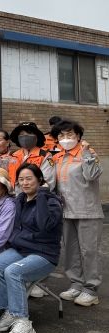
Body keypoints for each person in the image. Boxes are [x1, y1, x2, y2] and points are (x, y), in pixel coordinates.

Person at [0, 164, 63, 333]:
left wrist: (42, 195)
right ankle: (9, 312)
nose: (25, 183)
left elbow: (44, 226)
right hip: (22, 249)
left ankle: (22, 320)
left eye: (29, 178)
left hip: (44, 254)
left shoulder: (52, 202)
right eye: (21, 179)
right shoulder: (20, 200)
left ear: (40, 180)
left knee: (13, 272)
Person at [51, 119, 103, 306]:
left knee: (89, 251)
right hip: (66, 212)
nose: (65, 138)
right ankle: (76, 284)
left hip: (87, 211)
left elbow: (91, 175)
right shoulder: (57, 157)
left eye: (70, 134)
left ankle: (91, 289)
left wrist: (87, 153)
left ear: (78, 136)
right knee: (71, 251)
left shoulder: (88, 153)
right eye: (61, 135)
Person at [9, 122, 56, 190]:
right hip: (14, 195)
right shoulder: (13, 156)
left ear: (37, 137)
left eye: (29, 133)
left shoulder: (45, 156)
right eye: (22, 134)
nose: (25, 137)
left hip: (36, 195)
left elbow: (48, 182)